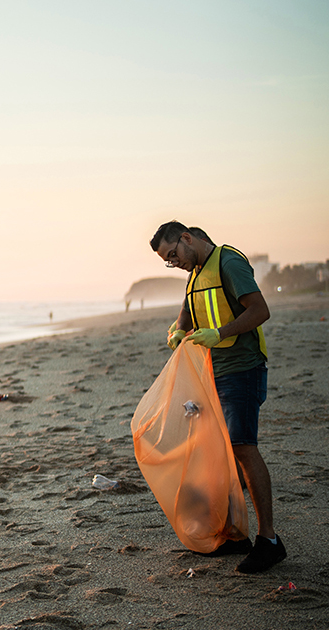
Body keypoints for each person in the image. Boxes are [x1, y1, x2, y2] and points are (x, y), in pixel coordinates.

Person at [151, 221, 285, 574]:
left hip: (242, 368)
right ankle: (234, 534)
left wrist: (220, 333)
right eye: (167, 261)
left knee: (242, 447)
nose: (174, 262)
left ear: (187, 238)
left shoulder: (228, 262)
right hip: (213, 372)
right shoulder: (195, 274)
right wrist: (177, 330)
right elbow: (187, 311)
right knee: (221, 451)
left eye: (173, 254)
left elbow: (260, 310)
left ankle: (269, 541)